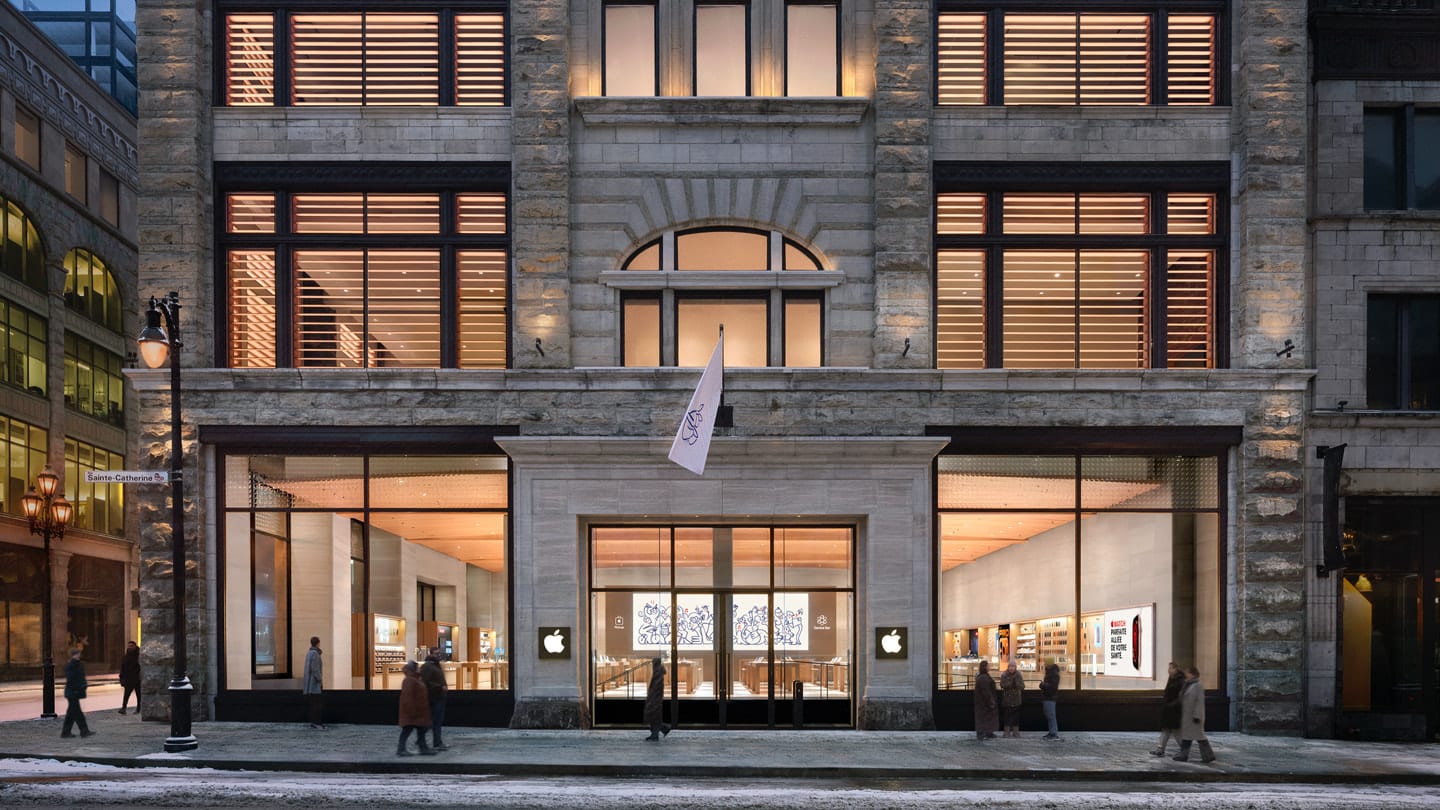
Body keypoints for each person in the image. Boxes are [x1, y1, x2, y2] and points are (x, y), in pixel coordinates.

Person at [1174, 665, 1216, 763]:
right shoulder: (1188, 684)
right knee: (1187, 738)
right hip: (1187, 716)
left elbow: (1199, 702)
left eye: (1187, 672)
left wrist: (1197, 715)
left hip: (1194, 718)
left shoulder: (1198, 685)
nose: (1186, 674)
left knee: (1200, 738)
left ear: (1192, 674)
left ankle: (1208, 755)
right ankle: (1184, 755)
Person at [397, 661, 436, 756]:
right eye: (417, 667)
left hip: (419, 712)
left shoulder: (416, 679)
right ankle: (401, 749)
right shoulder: (409, 680)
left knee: (421, 730)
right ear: (413, 669)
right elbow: (408, 697)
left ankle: (423, 748)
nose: (419, 669)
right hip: (413, 712)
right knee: (407, 730)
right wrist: (411, 711)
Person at [1152, 661, 1185, 756]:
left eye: (1170, 668)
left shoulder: (1180, 680)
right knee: (1166, 730)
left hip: (1174, 710)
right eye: (1169, 668)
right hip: (1168, 709)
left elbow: (1180, 696)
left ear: (1176, 669)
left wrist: (1172, 704)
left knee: (1176, 731)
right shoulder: (1171, 678)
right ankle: (1160, 749)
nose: (1168, 670)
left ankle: (1184, 750)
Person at [61, 648, 95, 738]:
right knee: (77, 713)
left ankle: (66, 732)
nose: (78, 655)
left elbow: (81, 677)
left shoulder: (79, 664)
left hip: (75, 691)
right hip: (72, 692)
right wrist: (77, 688)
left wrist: (83, 685)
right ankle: (84, 731)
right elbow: (71, 679)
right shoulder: (71, 665)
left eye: (78, 653)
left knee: (71, 713)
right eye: (77, 654)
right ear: (73, 655)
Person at [420, 651, 449, 750]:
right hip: (433, 697)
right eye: (436, 654)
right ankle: (424, 740)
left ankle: (437, 742)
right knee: (433, 721)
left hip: (440, 696)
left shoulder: (436, 665)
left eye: (439, 654)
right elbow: (425, 681)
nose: (439, 655)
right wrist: (439, 687)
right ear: (431, 654)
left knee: (437, 721)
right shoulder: (427, 666)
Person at [643, 657, 671, 741]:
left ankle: (659, 731)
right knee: (654, 716)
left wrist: (651, 696)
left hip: (655, 698)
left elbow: (656, 687)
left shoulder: (658, 672)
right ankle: (658, 732)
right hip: (655, 697)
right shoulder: (658, 671)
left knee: (653, 715)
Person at [302, 636, 325, 729]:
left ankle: (314, 722)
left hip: (310, 684)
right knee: (317, 705)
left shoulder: (309, 653)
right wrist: (320, 680)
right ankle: (317, 723)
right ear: (318, 643)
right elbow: (315, 670)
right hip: (314, 685)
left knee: (314, 704)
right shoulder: (315, 654)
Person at [972, 660, 998, 740]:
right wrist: (991, 701)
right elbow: (986, 691)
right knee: (983, 717)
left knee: (986, 717)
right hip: (983, 702)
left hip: (983, 702)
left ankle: (987, 732)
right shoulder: (983, 678)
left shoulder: (983, 676)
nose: (989, 667)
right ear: (985, 667)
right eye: (988, 666)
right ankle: (982, 733)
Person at [999, 659, 1023, 738]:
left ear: (1015, 667)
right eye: (1010, 666)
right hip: (1007, 700)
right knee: (1007, 717)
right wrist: (1010, 683)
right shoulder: (1004, 674)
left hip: (1016, 700)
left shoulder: (1018, 675)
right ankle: (1007, 732)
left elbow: (1022, 686)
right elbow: (1002, 685)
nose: (1011, 668)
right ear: (1008, 667)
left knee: (1016, 717)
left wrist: (1017, 684)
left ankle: (1016, 732)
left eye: (1013, 666)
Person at [118, 641, 141, 715]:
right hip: (129, 679)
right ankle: (123, 708)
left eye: (131, 646)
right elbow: (123, 668)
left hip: (137, 679)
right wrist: (121, 678)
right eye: (129, 646)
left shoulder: (139, 656)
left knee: (139, 695)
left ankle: (139, 708)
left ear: (135, 646)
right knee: (126, 695)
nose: (129, 647)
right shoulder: (126, 656)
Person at [1039, 661, 1061, 740]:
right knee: (1049, 715)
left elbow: (1052, 687)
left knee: (1051, 716)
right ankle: (1051, 732)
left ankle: (1053, 733)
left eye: (1046, 663)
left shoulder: (1053, 674)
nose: (1045, 664)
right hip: (1048, 697)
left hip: (1050, 697)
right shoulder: (1051, 673)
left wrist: (1043, 685)